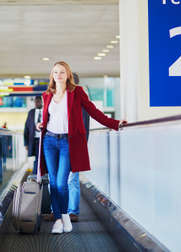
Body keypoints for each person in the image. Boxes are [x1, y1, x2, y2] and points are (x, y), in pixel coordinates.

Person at [37, 61, 126, 234]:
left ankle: (63, 217)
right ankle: (59, 219)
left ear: (68, 74)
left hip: (67, 143)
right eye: (55, 72)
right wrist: (40, 125)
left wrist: (114, 123)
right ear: (52, 75)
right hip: (49, 140)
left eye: (62, 72)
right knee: (53, 182)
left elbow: (93, 111)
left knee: (62, 182)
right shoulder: (47, 94)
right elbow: (47, 118)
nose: (58, 75)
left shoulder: (76, 92)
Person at [68, 73, 90, 222]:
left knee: (72, 179)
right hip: (59, 145)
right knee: (57, 180)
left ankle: (73, 212)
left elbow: (84, 126)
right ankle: (58, 210)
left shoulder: (80, 100)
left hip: (73, 145)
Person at [24, 96, 43, 174]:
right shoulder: (31, 112)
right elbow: (26, 128)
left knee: (40, 158)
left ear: (41, 102)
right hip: (33, 139)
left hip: (43, 139)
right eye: (35, 102)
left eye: (38, 101)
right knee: (37, 158)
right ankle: (36, 174)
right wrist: (26, 143)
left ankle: (36, 173)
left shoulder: (45, 111)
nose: (36, 103)